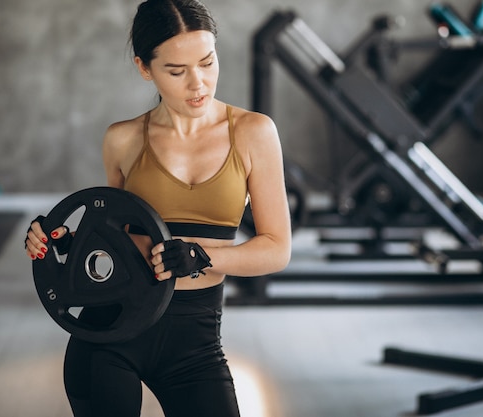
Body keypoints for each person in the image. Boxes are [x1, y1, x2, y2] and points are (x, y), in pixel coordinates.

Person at [24, 0, 292, 416]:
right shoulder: (123, 139)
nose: (198, 83)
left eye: (207, 62)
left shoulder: (254, 133)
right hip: (107, 330)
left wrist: (204, 256)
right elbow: (106, 240)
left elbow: (277, 248)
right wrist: (58, 241)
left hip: (196, 341)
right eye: (176, 71)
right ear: (144, 68)